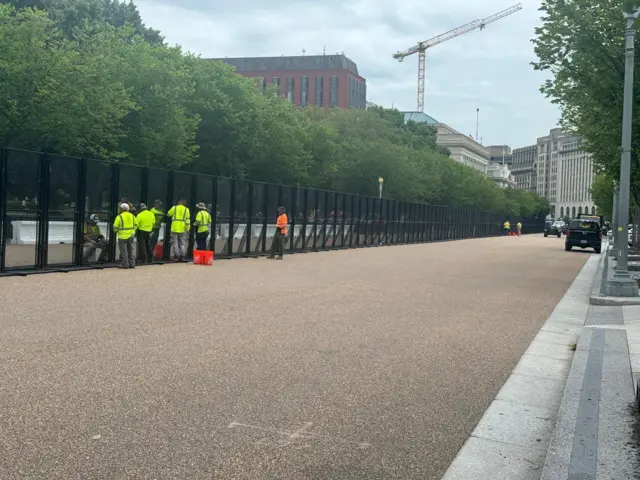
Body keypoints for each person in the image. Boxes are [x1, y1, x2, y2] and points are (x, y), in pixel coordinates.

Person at [113, 203, 137, 268]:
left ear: (121, 209)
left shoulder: (119, 217)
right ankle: (132, 264)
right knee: (130, 250)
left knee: (124, 252)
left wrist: (116, 231)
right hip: (131, 236)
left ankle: (125, 264)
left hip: (122, 236)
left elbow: (115, 227)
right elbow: (136, 225)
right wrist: (133, 232)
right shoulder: (132, 216)